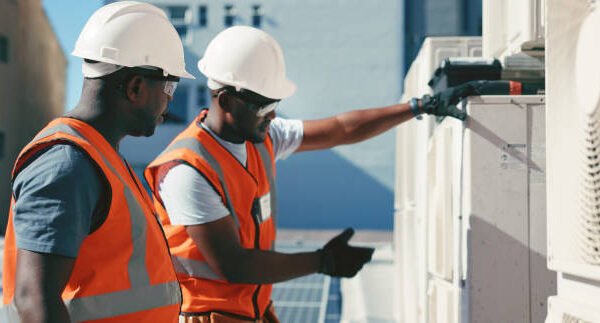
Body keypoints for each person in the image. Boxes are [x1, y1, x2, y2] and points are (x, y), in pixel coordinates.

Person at [145, 26, 475, 323]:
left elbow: (341, 129)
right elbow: (234, 266)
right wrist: (322, 262)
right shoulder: (186, 171)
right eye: (264, 106)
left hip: (251, 311)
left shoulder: (263, 136)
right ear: (227, 102)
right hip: (206, 317)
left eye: (275, 103)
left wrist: (419, 106)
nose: (272, 115)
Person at [1, 2, 195, 322]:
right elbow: (33, 301)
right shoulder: (67, 164)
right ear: (135, 87)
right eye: (169, 85)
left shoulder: (100, 157)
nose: (170, 98)